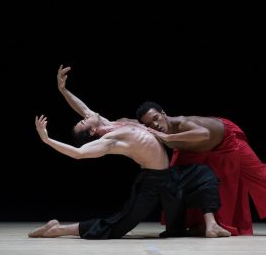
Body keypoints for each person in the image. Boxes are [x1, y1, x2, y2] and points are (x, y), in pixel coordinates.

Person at [28, 65, 231, 239]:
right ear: (91, 131)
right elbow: (78, 153)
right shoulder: (109, 140)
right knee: (118, 226)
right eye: (83, 121)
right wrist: (46, 140)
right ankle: (56, 230)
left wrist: (63, 90)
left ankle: (211, 225)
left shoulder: (110, 124)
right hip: (152, 182)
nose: (86, 115)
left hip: (169, 176)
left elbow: (83, 108)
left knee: (205, 174)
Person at [136, 101, 266, 238]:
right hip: (193, 150)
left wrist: (168, 137)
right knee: (173, 181)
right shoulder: (158, 131)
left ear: (163, 114)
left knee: (263, 176)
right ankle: (187, 225)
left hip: (227, 143)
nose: (155, 125)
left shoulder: (182, 123)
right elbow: (125, 121)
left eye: (156, 118)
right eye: (150, 125)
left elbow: (204, 134)